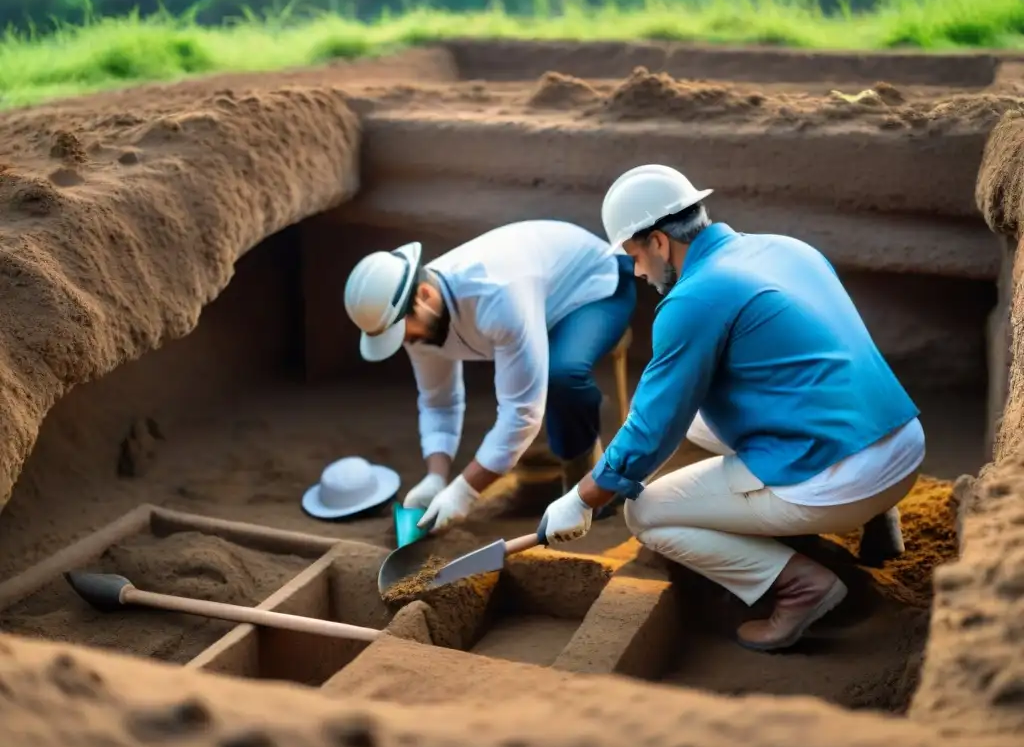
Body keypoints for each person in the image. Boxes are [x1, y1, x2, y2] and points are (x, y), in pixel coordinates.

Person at [538, 164, 925, 653]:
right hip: (901, 441)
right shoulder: (786, 248)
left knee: (647, 513)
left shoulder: (695, 299)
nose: (636, 271)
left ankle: (800, 586)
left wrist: (584, 498)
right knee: (700, 418)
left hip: (842, 479)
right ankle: (880, 518)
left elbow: (651, 429)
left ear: (659, 241)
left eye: (635, 255)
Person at [342, 219, 637, 533]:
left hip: (596, 283)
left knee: (562, 376)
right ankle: (553, 458)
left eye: (401, 332)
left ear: (425, 295)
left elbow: (521, 412)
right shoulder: (416, 325)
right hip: (538, 302)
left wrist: (464, 491)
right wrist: (436, 476)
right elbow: (438, 402)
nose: (403, 342)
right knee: (538, 375)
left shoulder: (495, 295)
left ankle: (593, 490)